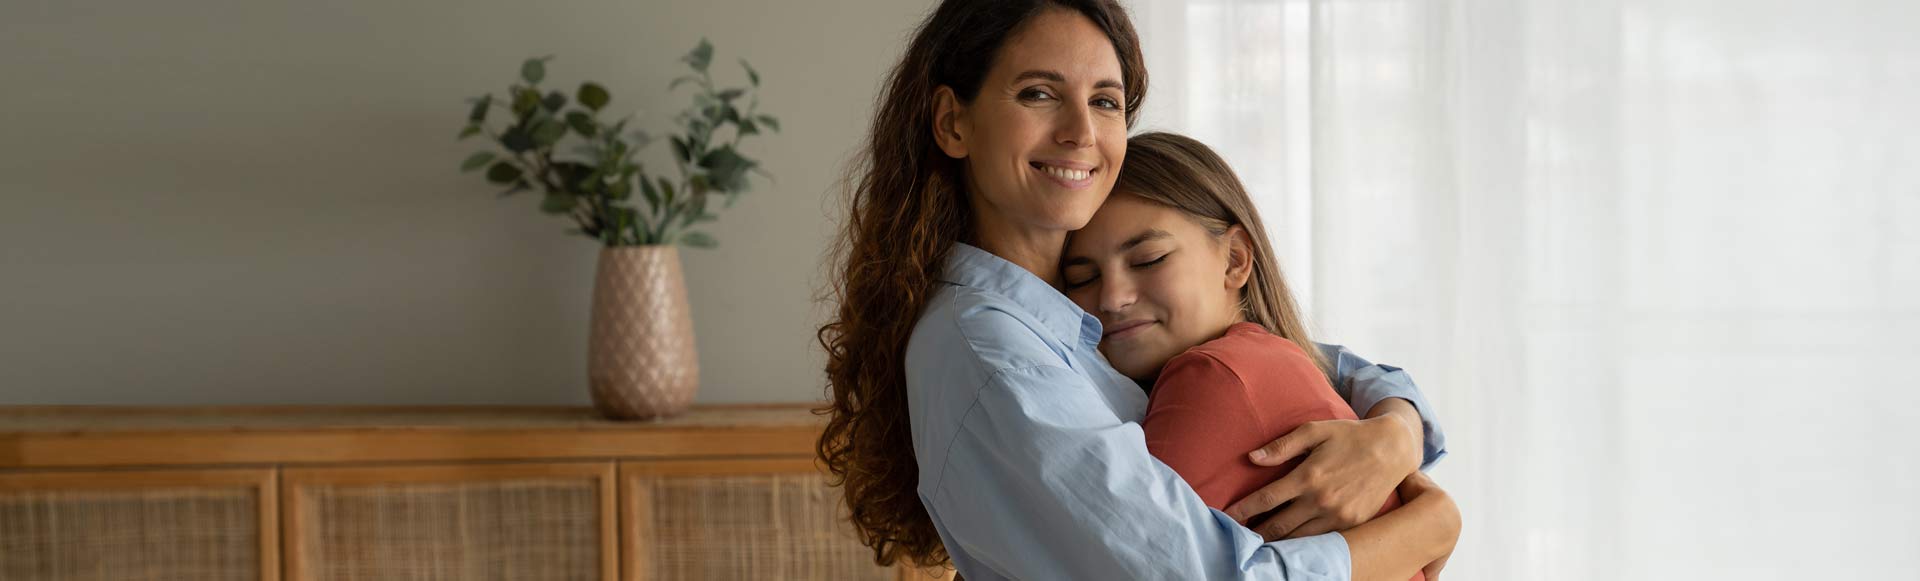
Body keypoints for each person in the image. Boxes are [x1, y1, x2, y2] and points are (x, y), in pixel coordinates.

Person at [816, 1, 1456, 578]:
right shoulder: (996, 354)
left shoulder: (1070, 310)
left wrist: (1395, 429)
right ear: (954, 123)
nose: (1080, 132)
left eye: (1105, 101)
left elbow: (1298, 359)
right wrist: (1427, 528)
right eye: (1038, 93)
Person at [1062, 132, 1458, 581]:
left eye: (1149, 259)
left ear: (1234, 259)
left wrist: (1403, 435)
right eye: (1081, 277)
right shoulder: (1269, 357)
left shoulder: (1211, 374)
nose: (1112, 297)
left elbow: (1120, 566)